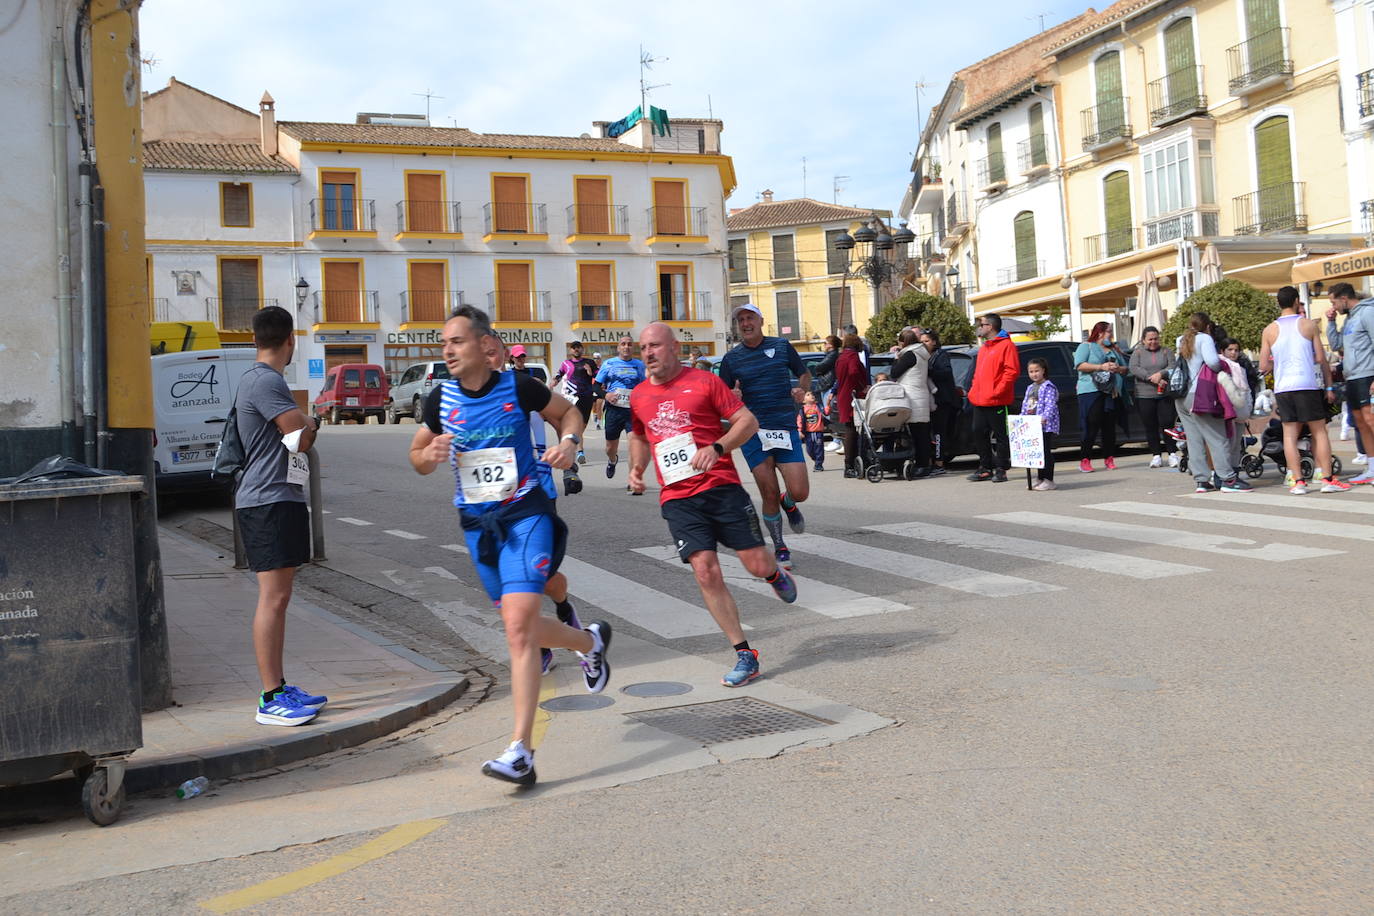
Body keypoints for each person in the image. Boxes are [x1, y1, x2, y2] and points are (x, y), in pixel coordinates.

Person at [410, 306, 610, 786]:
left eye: (456, 341)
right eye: (443, 343)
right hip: (478, 525)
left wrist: (568, 441)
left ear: (484, 346)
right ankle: (589, 641)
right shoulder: (438, 400)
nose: (447, 350)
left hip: (526, 513)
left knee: (519, 625)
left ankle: (520, 751)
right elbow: (417, 454)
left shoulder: (518, 386)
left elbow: (569, 412)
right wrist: (428, 455)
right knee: (517, 626)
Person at [627, 322, 797, 687]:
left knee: (755, 563)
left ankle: (773, 574)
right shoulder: (639, 394)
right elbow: (639, 435)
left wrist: (717, 447)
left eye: (655, 346)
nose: (649, 353)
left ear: (673, 347)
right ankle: (744, 653)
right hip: (678, 497)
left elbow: (747, 422)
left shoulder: (706, 382)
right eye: (644, 348)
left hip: (722, 488)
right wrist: (636, 469)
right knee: (705, 570)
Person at [233, 306, 327, 727]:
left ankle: (280, 686)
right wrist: (311, 422)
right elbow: (299, 438)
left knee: (280, 598)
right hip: (266, 499)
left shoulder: (260, 379)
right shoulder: (267, 381)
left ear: (255, 339)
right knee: (273, 598)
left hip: (275, 497)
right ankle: (270, 697)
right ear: (290, 341)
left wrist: (304, 423)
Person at [719, 303, 811, 568]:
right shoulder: (731, 359)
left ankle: (789, 502)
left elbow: (803, 374)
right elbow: (721, 397)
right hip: (752, 432)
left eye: (750, 318)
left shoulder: (781, 346)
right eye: (741, 321)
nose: (745, 324)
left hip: (784, 427)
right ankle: (780, 546)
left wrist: (801, 390)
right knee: (768, 492)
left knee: (800, 491)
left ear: (760, 321)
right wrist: (730, 398)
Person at [1258, 289, 1348, 495]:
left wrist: (1280, 361)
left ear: (1278, 303)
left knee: (1290, 434)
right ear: (1297, 301)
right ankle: (1327, 478)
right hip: (1306, 383)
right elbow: (1319, 357)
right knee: (1318, 431)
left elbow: (1264, 363)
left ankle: (1297, 481)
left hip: (1284, 387)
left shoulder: (1269, 330)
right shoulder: (1308, 325)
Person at [1177, 311, 1253, 493]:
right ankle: (1227, 479)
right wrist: (1222, 367)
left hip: (1181, 396)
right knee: (1217, 436)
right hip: (1200, 394)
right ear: (1208, 326)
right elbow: (1212, 362)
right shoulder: (1204, 338)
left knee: (1194, 439)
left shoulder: (1181, 339)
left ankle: (1201, 481)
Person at [1325, 282, 1374, 484]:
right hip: (1351, 377)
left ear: (1343, 298)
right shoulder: (1349, 319)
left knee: (1370, 421)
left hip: (1367, 374)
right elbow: (1337, 345)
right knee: (1360, 424)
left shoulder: (1367, 312)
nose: (1333, 306)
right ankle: (1372, 468)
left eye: (1333, 302)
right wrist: (1330, 323)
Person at [966, 313, 1020, 483]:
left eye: (981, 325)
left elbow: (1011, 371)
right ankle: (985, 467)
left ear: (990, 326)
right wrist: (974, 390)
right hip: (980, 399)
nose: (979, 328)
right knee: (978, 432)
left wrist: (997, 390)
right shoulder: (984, 348)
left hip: (997, 399)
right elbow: (978, 373)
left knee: (1001, 435)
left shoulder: (1007, 346)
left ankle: (1001, 468)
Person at [1073, 321, 1130, 472]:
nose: (1111, 335)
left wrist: (1117, 368)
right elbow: (1079, 365)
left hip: (1111, 391)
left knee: (1109, 426)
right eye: (1109, 331)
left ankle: (1109, 458)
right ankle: (1085, 459)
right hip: (1090, 390)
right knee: (1091, 425)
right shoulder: (1087, 346)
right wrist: (1100, 367)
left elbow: (1126, 368)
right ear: (1100, 332)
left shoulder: (1113, 349)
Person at [593, 335, 647, 480]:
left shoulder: (640, 365)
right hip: (613, 410)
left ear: (632, 348)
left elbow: (646, 386)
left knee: (634, 446)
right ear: (618, 347)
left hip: (633, 411)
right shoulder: (609, 364)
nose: (626, 347)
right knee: (610, 448)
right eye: (623, 344)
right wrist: (606, 395)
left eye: (629, 344)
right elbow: (596, 386)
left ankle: (633, 479)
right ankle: (612, 460)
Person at [1128, 326, 1178, 468]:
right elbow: (1134, 368)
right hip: (1145, 395)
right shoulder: (1137, 353)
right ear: (1144, 340)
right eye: (1150, 339)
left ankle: (1172, 453)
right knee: (1150, 425)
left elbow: (1172, 366)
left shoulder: (1166, 351)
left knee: (1167, 423)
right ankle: (1156, 455)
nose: (1153, 342)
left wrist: (1161, 374)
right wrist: (1152, 378)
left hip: (1164, 394)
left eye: (1155, 338)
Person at [891, 327, 934, 478]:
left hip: (912, 397)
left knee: (917, 434)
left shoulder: (909, 355)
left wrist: (896, 358)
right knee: (922, 433)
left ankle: (921, 466)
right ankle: (924, 464)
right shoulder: (922, 353)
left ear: (904, 342)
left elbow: (894, 373)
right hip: (921, 395)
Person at [551, 340, 597, 464]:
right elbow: (559, 374)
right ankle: (579, 451)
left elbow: (598, 378)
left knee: (582, 427)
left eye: (578, 347)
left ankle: (576, 448)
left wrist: (590, 372)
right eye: (574, 347)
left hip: (586, 398)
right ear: (570, 350)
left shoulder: (590, 362)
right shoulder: (566, 364)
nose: (576, 349)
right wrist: (553, 382)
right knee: (575, 425)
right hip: (572, 399)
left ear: (582, 349)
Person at [922, 329, 960, 475]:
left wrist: (928, 371)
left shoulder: (941, 355)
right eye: (922, 341)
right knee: (930, 432)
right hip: (929, 400)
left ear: (934, 342)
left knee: (939, 432)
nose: (924, 344)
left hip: (942, 400)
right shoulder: (924, 356)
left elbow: (945, 373)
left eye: (926, 341)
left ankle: (939, 463)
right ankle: (930, 461)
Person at [1021, 356, 1060, 490]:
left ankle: (1049, 480)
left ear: (1043, 371)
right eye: (1031, 371)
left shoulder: (1048, 387)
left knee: (1045, 452)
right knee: (1036, 452)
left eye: (1037, 371)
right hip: (1032, 425)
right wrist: (1021, 419)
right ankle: (1040, 478)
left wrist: (1044, 418)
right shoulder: (1030, 388)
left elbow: (1050, 405)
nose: (1034, 374)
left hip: (1045, 426)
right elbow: (1026, 405)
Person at [834, 334, 869, 478]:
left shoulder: (841, 357)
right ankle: (850, 464)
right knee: (853, 431)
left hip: (843, 395)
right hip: (853, 395)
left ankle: (850, 464)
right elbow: (854, 372)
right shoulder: (853, 356)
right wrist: (862, 387)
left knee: (850, 430)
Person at [798, 390, 826, 471]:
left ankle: (818, 464)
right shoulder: (803, 410)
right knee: (809, 450)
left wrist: (828, 406)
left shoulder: (818, 407)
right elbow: (799, 420)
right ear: (803, 400)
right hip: (808, 433)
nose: (811, 395)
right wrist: (799, 430)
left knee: (819, 448)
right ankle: (816, 459)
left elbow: (825, 412)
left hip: (818, 432)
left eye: (812, 394)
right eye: (808, 395)